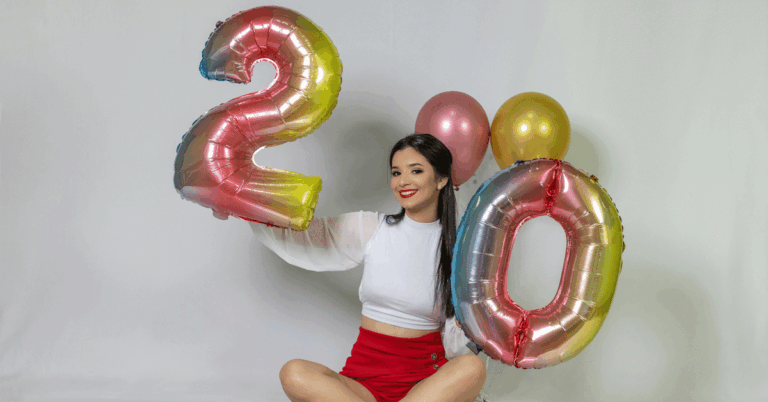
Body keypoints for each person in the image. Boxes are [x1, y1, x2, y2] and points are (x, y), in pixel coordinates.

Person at [251, 133, 486, 402]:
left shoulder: (461, 250)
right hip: (363, 383)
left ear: (441, 179)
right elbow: (302, 237)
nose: (403, 181)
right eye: (396, 173)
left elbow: (461, 335)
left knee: (472, 368)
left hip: (424, 384)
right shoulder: (372, 227)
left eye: (416, 171)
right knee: (294, 373)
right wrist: (248, 203)